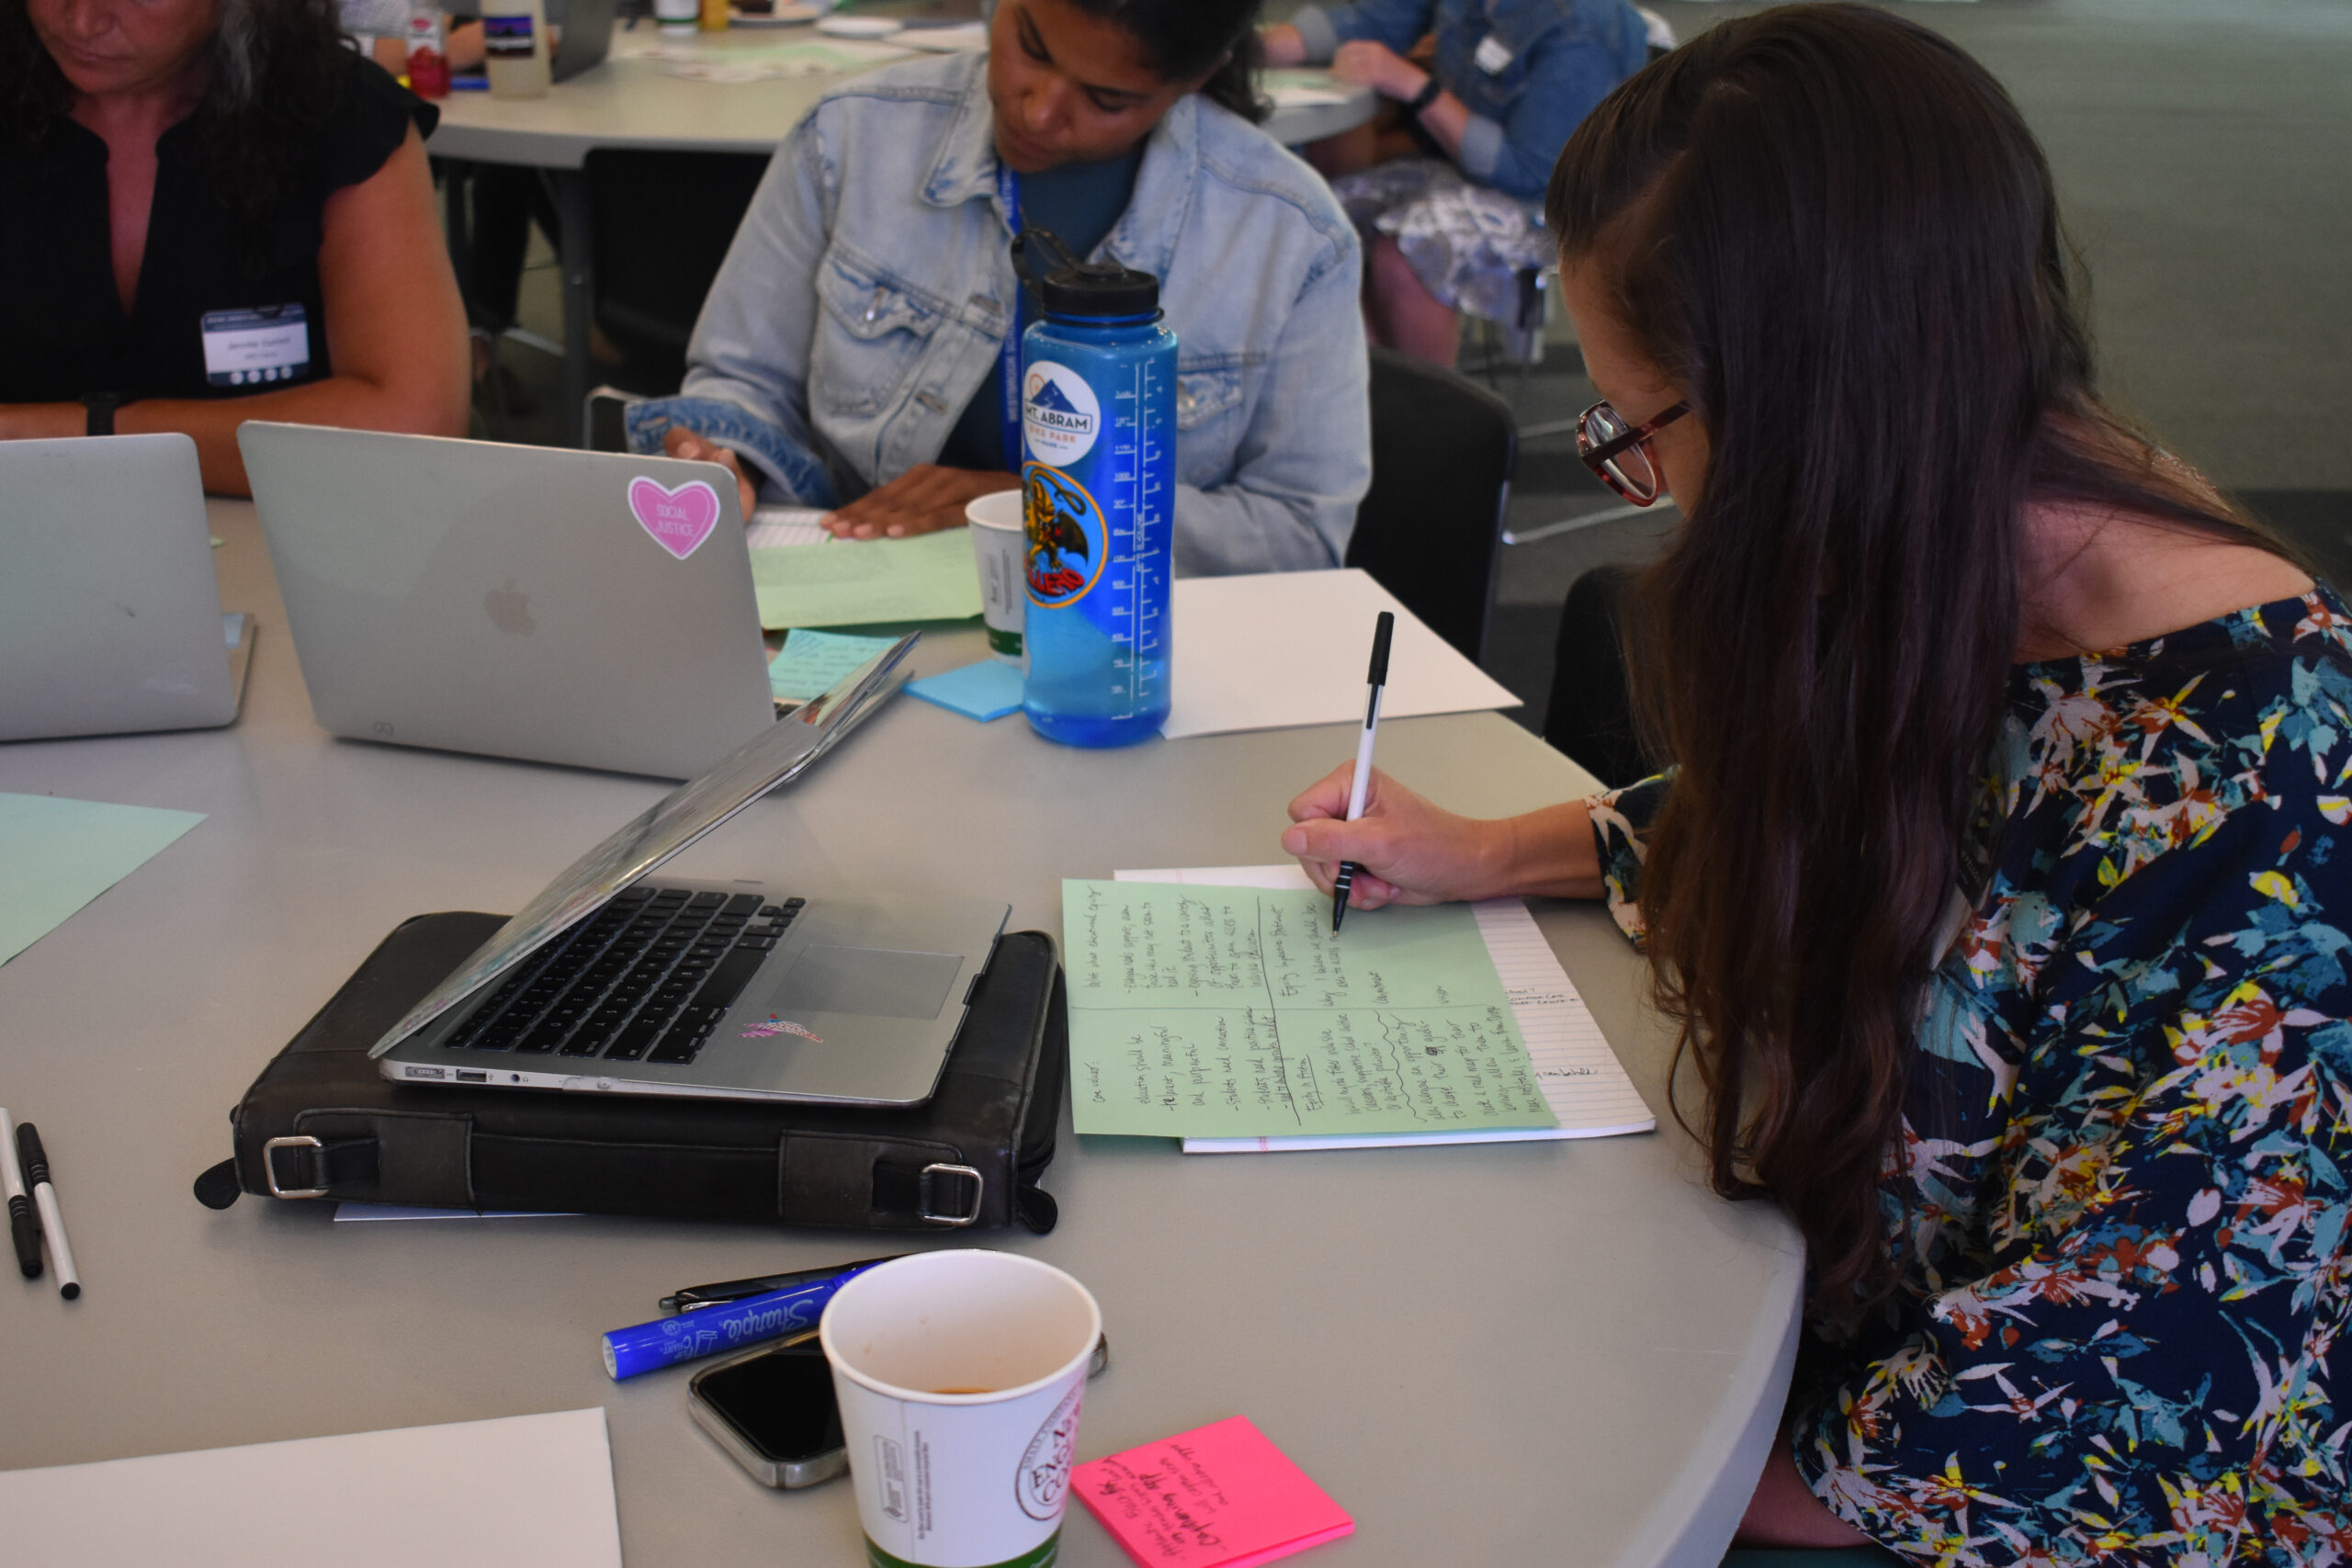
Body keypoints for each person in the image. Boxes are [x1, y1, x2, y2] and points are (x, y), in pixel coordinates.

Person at [1280, 6, 2351, 1560]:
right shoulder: (1935, 541)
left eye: (1635, 428)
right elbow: (1854, 828)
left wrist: (1679, 1489)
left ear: (1800, 411)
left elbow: (2130, 1375)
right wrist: (1494, 850)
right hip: (1821, 1342)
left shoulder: (2267, 779)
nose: (1642, 486)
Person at [628, 0, 1370, 577]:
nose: (1038, 110)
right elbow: (742, 378)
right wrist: (729, 457)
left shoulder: (1292, 236)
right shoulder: (849, 139)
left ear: (1193, 81)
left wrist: (1041, 509)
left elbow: (1300, 532)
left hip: (1125, 649)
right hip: (861, 602)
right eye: (1030, 46)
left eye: (1106, 99)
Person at [0, 0, 470, 494]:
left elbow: (413, 424)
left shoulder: (335, 110)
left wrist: (57, 435)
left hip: (287, 547)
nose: (82, 21)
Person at [1261, 0, 1645, 364]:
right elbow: (1375, 19)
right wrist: (1241, 48)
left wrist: (1415, 86)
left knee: (1410, 254)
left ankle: (1433, 419)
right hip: (1458, 170)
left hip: (1551, 202)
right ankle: (1374, 403)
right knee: (1321, 219)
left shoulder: (1583, 23)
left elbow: (1530, 173)